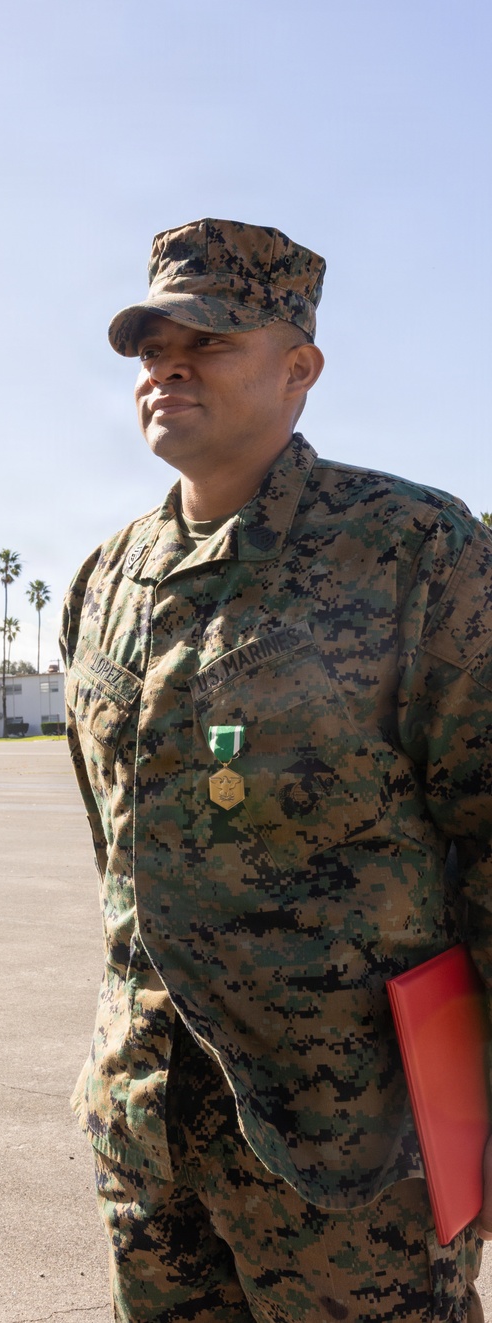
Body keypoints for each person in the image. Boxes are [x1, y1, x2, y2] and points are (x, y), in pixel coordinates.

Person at [61, 217, 492, 1322]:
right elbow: (120, 849)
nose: (167, 362)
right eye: (152, 343)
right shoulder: (108, 578)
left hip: (357, 1149)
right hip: (152, 1128)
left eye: (206, 338)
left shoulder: (412, 548)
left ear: (299, 366)